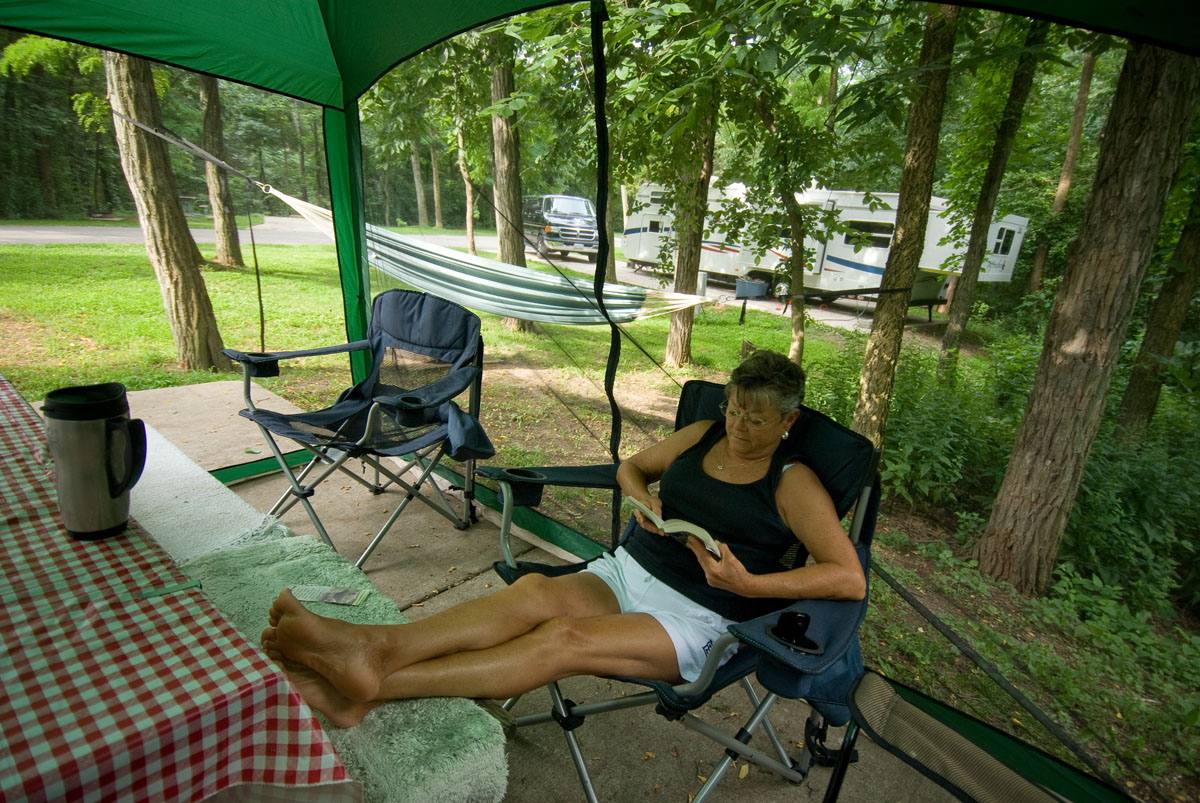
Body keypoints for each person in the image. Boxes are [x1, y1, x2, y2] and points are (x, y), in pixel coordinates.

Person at [262, 349, 866, 728]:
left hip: (703, 616)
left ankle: (374, 682)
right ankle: (369, 648)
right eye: (734, 409)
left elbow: (847, 575)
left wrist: (751, 583)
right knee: (531, 595)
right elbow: (633, 468)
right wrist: (642, 498)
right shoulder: (704, 432)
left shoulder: (794, 483)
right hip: (631, 569)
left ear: (788, 422)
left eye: (756, 419)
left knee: (563, 636)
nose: (738, 425)